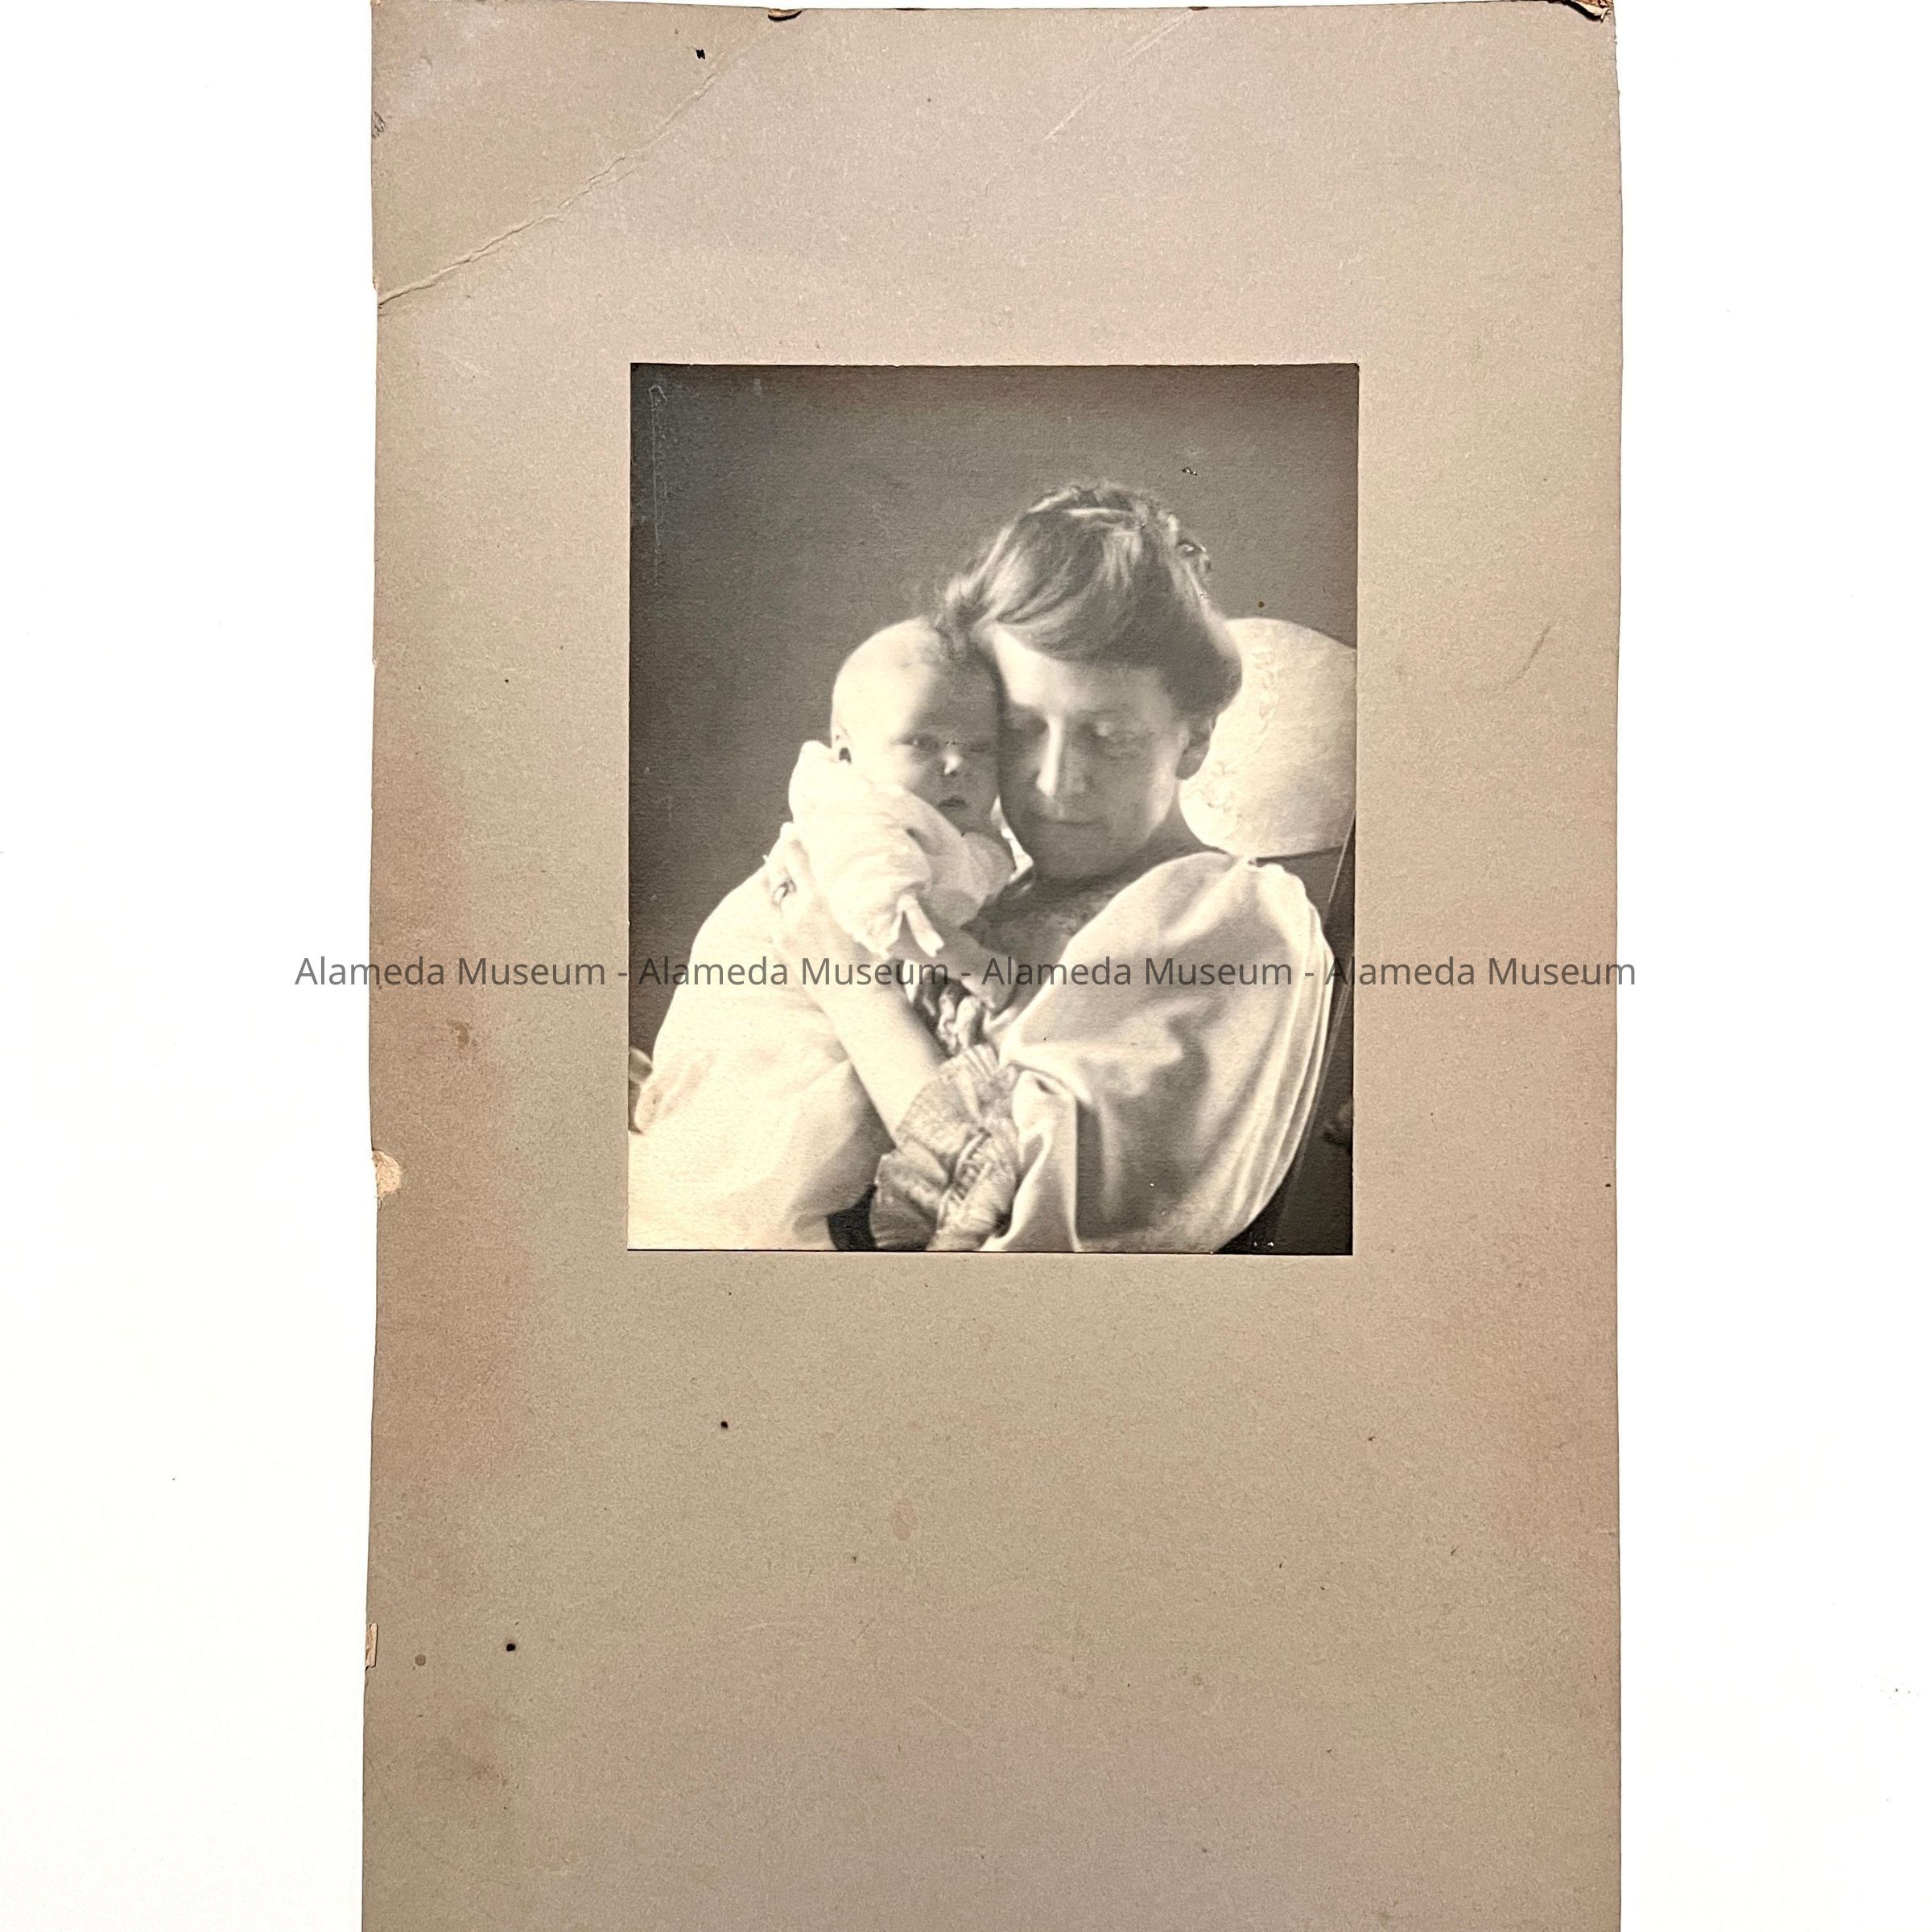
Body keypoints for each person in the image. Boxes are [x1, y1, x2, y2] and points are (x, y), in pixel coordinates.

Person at [763, 485, 1335, 1253]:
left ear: (1195, 737)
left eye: (1111, 736)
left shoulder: (1230, 919)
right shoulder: (980, 888)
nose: (1058, 782)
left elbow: (1010, 1221)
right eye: (1021, 730)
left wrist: (846, 980)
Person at [628, 619, 1013, 1248]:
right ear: (846, 753)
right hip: (781, 1001)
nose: (956, 766)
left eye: (982, 748)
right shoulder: (861, 818)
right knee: (788, 1148)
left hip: (839, 982)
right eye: (922, 742)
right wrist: (971, 960)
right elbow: (880, 911)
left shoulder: (945, 820)